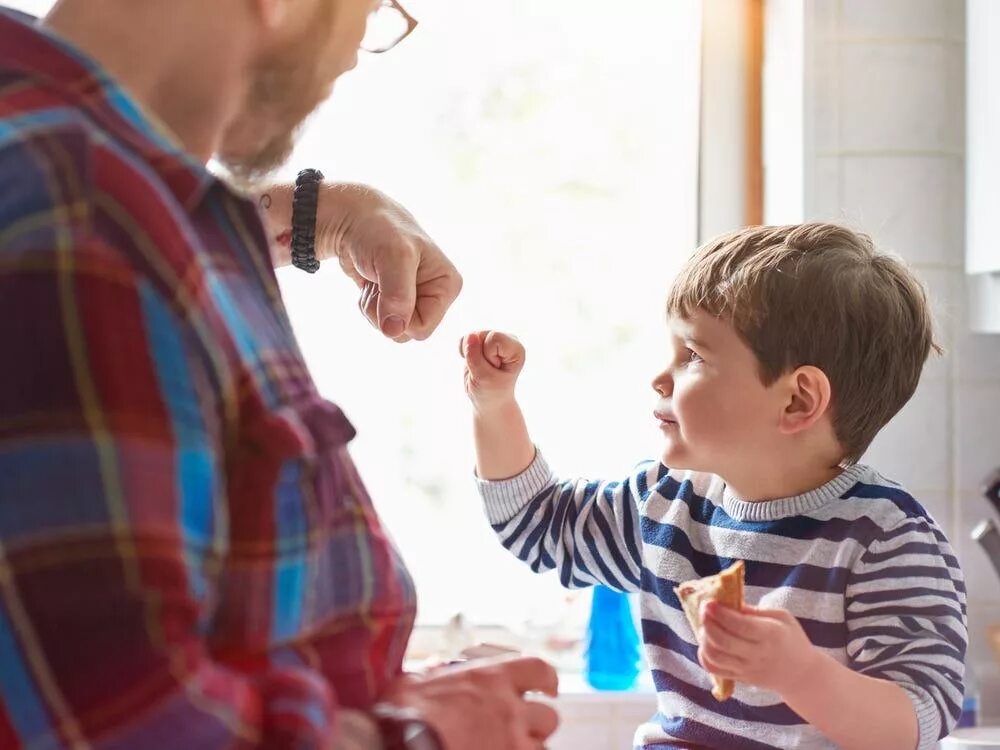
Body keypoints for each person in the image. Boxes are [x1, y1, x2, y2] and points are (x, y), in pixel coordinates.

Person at [0, 1, 560, 748]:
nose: (358, 49)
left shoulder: (62, 170)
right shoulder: (76, 217)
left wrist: (320, 215)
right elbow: (132, 727)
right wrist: (424, 734)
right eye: (370, 7)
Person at [461, 223, 968, 750]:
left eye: (693, 356)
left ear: (796, 401)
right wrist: (494, 406)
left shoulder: (884, 540)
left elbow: (917, 722)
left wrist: (800, 674)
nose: (660, 378)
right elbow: (538, 524)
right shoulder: (665, 505)